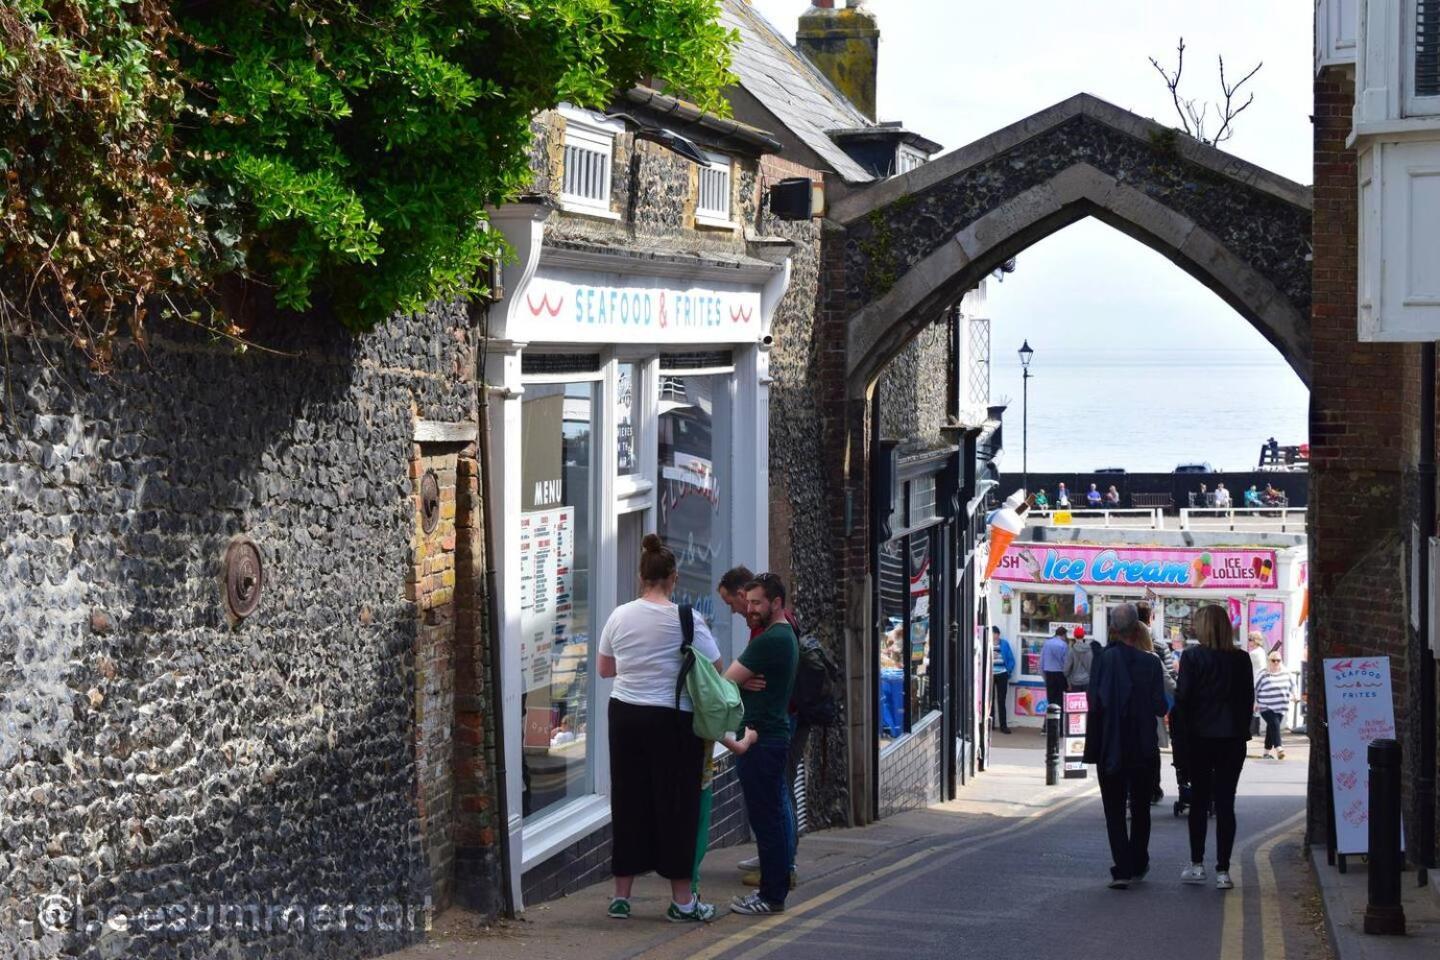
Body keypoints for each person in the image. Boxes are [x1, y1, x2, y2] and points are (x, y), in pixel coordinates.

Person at [598, 534, 725, 922]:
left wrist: (637, 666)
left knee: (629, 801)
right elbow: (716, 668)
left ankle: (621, 897)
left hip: (625, 715)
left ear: (641, 576)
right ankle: (683, 902)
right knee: (676, 806)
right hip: (673, 719)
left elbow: (606, 669)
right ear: (673, 577)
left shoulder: (619, 615)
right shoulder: (686, 618)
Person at [719, 566, 804, 892]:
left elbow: (726, 682)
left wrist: (739, 684)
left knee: (772, 810)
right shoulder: (780, 631)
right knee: (774, 806)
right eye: (748, 602)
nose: (747, 609)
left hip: (766, 734)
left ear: (775, 603)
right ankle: (777, 871)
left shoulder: (770, 638)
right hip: (772, 729)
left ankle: (777, 881)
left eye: (755, 603)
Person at [1084, 603, 1167, 889]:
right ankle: (1138, 862)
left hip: (1111, 743)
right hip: (1143, 745)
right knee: (1141, 807)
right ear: (1137, 629)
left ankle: (1121, 869)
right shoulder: (1152, 663)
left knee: (1114, 809)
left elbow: (1093, 703)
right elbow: (1159, 706)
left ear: (1113, 629)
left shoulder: (1103, 660)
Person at [1175, 604, 1255, 891]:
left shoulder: (1192, 657)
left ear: (1204, 627)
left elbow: (1182, 700)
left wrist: (1180, 744)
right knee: (1225, 803)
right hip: (1232, 740)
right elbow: (1248, 701)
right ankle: (1223, 871)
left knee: (1198, 802)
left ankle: (1197, 865)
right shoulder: (1242, 659)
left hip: (1199, 739)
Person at [1254, 653, 1296, 760]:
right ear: (1269, 661)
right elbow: (1254, 689)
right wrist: (1254, 702)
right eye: (1273, 660)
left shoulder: (1286, 672)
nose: (1276, 662)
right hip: (1265, 706)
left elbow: (1293, 685)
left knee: (1271, 728)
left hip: (1281, 706)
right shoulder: (1264, 673)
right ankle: (1279, 748)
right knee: (1274, 724)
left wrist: (1295, 695)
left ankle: (1266, 753)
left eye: (1278, 660)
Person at [991, 626, 1015, 734]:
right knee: (989, 701)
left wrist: (1008, 670)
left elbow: (1011, 659)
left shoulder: (1004, 644)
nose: (992, 636)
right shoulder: (986, 643)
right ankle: (990, 725)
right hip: (989, 675)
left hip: (1002, 674)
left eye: (994, 633)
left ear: (997, 634)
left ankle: (1003, 726)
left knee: (1001, 700)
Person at [1040, 626, 1070, 708]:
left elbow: (1041, 661)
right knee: (1060, 701)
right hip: (1060, 674)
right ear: (1063, 635)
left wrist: (1043, 676)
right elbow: (1066, 663)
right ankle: (1059, 720)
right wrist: (1068, 680)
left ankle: (1050, 719)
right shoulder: (1064, 645)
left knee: (1050, 700)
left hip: (1048, 674)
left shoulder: (1046, 643)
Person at [1064, 628, 1094, 693]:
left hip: (1075, 682)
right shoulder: (1090, 650)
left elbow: (1066, 669)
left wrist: (1067, 679)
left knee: (1077, 702)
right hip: (1087, 681)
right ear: (1083, 636)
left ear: (1074, 636)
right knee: (1087, 702)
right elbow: (1092, 666)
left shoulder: (1071, 650)